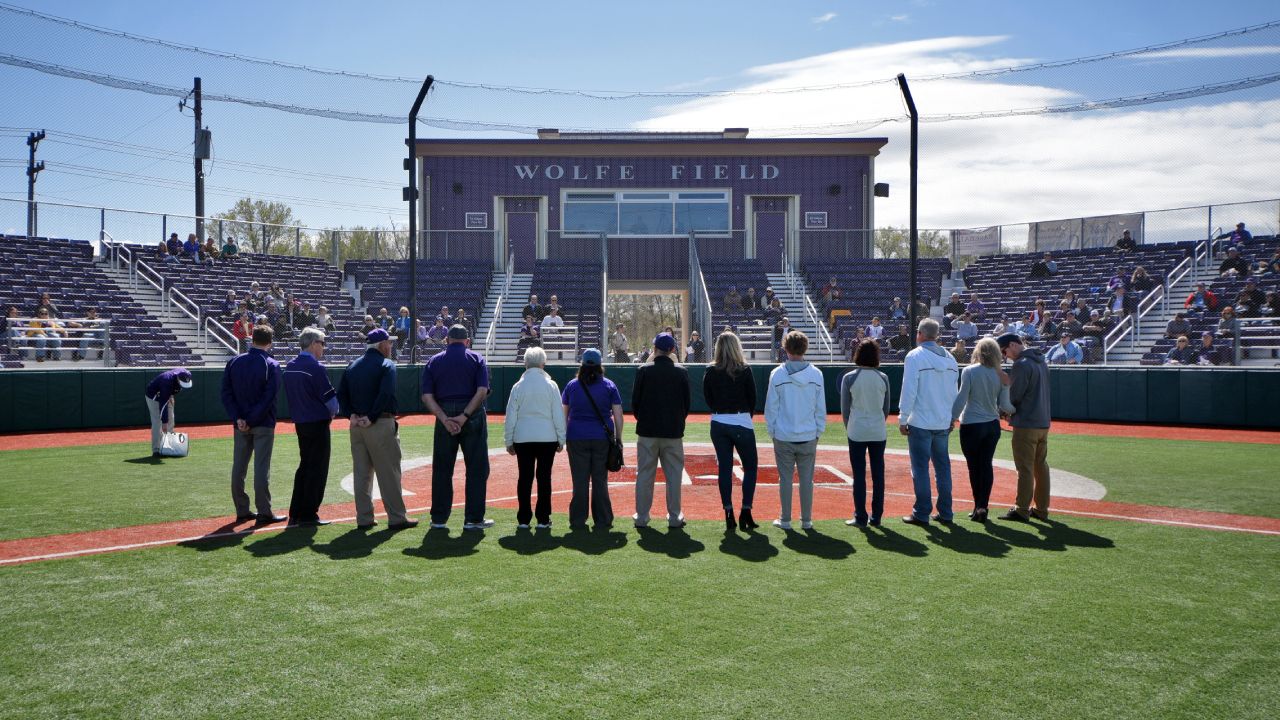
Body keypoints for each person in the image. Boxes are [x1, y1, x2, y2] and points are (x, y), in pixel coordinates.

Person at [337, 329, 417, 530]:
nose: (390, 346)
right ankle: (397, 517)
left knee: (361, 473)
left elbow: (341, 395)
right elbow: (386, 393)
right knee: (389, 472)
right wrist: (371, 417)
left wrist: (352, 416)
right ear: (381, 345)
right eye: (388, 343)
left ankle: (364, 518)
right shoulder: (386, 364)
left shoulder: (352, 365)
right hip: (379, 423)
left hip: (356, 427)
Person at [421, 324, 493, 530]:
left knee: (442, 468)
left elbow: (427, 396)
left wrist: (445, 419)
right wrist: (464, 417)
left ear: (447, 340)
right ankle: (473, 518)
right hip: (472, 415)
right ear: (467, 341)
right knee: (477, 468)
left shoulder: (434, 361)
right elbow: (481, 391)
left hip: (444, 413)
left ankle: (439, 519)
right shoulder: (476, 359)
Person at [220, 326, 284, 524]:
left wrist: (238, 418)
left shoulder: (234, 361)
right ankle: (264, 511)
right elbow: (268, 397)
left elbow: (226, 394)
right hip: (262, 423)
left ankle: (242, 509)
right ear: (270, 342)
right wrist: (251, 419)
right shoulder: (271, 364)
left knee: (238, 468)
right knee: (261, 468)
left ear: (251, 339)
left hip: (240, 424)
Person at [898, 319, 959, 525]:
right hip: (942, 422)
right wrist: (952, 418)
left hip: (921, 422)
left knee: (920, 468)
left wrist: (903, 418)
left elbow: (909, 390)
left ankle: (922, 512)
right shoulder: (950, 358)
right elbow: (954, 393)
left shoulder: (915, 356)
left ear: (920, 334)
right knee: (943, 468)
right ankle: (946, 512)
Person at [764, 330, 826, 531]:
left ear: (785, 348)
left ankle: (785, 519)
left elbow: (771, 408)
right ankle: (806, 520)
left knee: (785, 479)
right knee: (807, 480)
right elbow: (820, 408)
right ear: (805, 348)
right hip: (808, 435)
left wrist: (773, 432)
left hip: (784, 435)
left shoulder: (778, 374)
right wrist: (818, 432)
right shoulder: (816, 374)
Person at [629, 333, 691, 529]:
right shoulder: (681, 372)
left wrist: (645, 419)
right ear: (672, 350)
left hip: (648, 431)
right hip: (672, 432)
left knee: (645, 474)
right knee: (673, 476)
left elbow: (635, 403)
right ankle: (674, 517)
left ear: (654, 348)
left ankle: (642, 516)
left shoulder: (643, 371)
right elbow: (686, 404)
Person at [952, 337, 1014, 523]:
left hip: (971, 424)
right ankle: (982, 506)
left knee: (973, 467)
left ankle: (977, 505)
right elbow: (1006, 406)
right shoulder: (1000, 374)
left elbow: (962, 398)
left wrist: (950, 418)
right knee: (986, 465)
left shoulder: (969, 371)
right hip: (992, 426)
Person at [504, 346, 566, 529]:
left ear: (525, 364)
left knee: (525, 477)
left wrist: (509, 440)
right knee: (544, 477)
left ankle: (523, 518)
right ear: (543, 364)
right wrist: (561, 438)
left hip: (523, 438)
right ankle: (543, 518)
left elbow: (511, 416)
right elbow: (558, 414)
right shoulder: (551, 385)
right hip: (547, 438)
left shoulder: (518, 386)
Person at [702, 332, 758, 531]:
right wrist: (743, 416)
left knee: (724, 469)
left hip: (718, 422)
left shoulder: (711, 370)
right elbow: (752, 398)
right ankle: (746, 510)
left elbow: (707, 398)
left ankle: (728, 511)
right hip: (741, 420)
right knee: (750, 468)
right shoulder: (744, 369)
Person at [283, 328, 339, 526]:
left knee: (305, 466)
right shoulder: (315, 368)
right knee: (317, 468)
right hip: (317, 423)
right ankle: (308, 513)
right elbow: (331, 402)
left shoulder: (290, 366)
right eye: (322, 343)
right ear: (314, 343)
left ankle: (296, 511)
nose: (324, 347)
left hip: (301, 422)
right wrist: (333, 413)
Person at [561, 348, 622, 528]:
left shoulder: (572, 385)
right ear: (600, 365)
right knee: (600, 479)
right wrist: (619, 439)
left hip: (576, 436)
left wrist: (563, 436)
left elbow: (563, 413)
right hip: (602, 437)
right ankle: (603, 519)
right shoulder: (609, 385)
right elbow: (618, 414)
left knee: (579, 480)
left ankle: (578, 520)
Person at [997, 333, 1052, 522]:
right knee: (1040, 466)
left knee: (1025, 468)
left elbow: (1015, 397)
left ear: (1013, 345)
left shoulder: (1021, 364)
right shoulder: (1041, 361)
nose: (1005, 356)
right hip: (1043, 422)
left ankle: (1021, 509)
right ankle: (1042, 509)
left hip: (1026, 423)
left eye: (1004, 351)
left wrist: (1003, 410)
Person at [841, 339, 890, 528]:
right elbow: (885, 409)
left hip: (857, 431)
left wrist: (851, 426)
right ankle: (877, 517)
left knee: (859, 475)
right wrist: (877, 421)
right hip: (878, 431)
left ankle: (860, 517)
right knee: (878, 475)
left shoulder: (850, 377)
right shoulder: (883, 377)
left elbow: (845, 409)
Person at [144, 367, 193, 456]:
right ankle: (157, 449)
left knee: (171, 419)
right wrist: (164, 422)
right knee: (157, 422)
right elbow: (163, 405)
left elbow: (170, 392)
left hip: (166, 394)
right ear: (178, 379)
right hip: (153, 396)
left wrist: (171, 396)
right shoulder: (167, 381)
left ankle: (168, 446)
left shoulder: (187, 374)